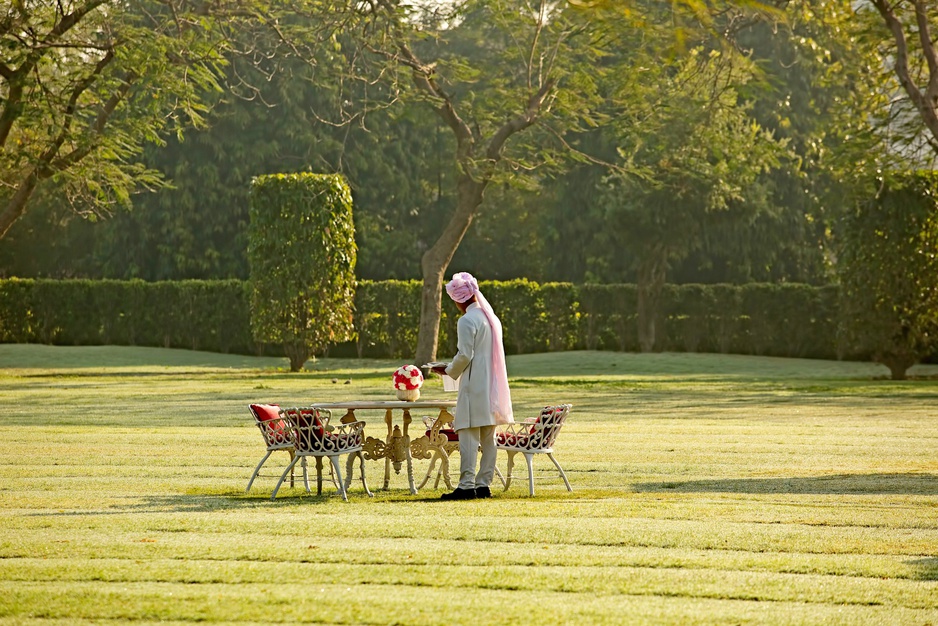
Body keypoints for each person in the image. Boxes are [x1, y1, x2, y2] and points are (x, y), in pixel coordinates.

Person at [431, 272, 514, 500]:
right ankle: (484, 484)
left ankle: (466, 486)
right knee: (489, 436)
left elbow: (466, 354)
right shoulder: (491, 317)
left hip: (473, 385)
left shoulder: (467, 320)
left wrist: (447, 369)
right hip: (492, 385)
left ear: (459, 299)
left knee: (468, 435)